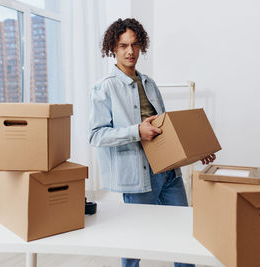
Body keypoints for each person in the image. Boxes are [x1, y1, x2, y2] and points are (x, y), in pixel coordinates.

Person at [89, 18, 216, 267]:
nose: (130, 51)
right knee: (135, 242)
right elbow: (96, 135)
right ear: (113, 48)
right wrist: (137, 131)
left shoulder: (150, 83)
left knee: (183, 234)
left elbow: (168, 128)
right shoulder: (104, 88)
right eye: (123, 45)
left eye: (135, 45)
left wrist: (197, 149)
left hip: (169, 173)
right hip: (138, 178)